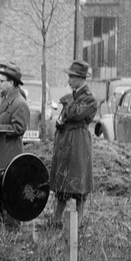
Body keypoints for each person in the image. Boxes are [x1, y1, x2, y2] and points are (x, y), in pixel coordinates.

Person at [50, 59, 97, 225]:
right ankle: (57, 219)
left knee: (79, 182)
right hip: (66, 140)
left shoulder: (89, 98)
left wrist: (69, 99)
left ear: (82, 78)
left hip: (78, 142)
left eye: (72, 77)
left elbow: (74, 114)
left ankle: (79, 221)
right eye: (69, 76)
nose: (69, 80)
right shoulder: (76, 95)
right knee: (63, 180)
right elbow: (67, 115)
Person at [0, 61, 29, 137]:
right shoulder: (4, 98)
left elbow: (19, 129)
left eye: (1, 81)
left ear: (11, 83)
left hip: (9, 144)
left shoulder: (20, 103)